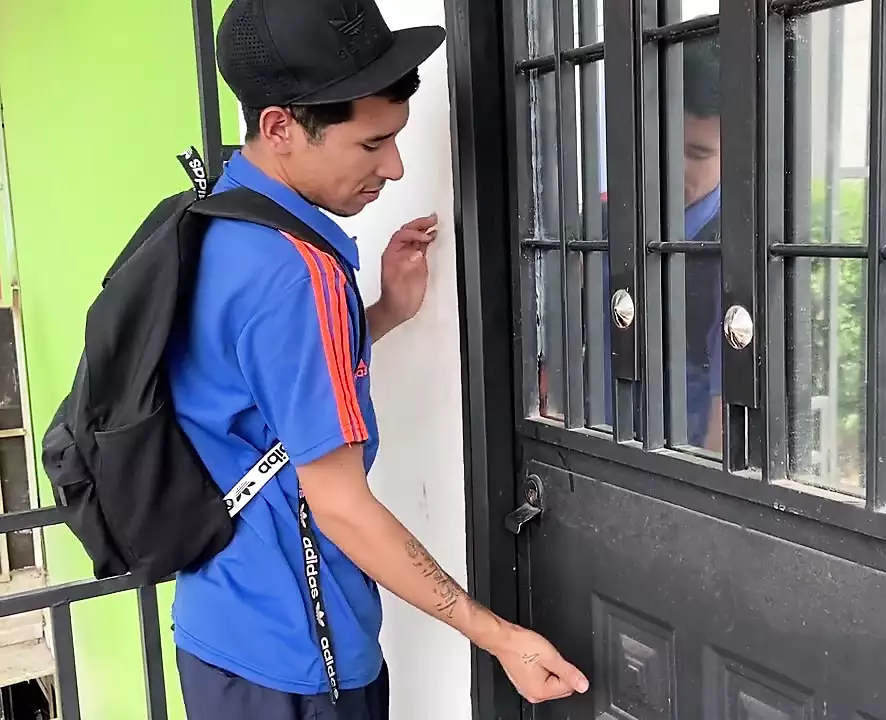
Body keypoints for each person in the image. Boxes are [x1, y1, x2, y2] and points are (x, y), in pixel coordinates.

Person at [166, 1, 587, 718]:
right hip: (298, 658)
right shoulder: (295, 271)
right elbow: (341, 507)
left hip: (220, 626)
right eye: (372, 144)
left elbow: (262, 378)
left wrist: (384, 312)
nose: (393, 167)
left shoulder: (221, 217)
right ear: (281, 127)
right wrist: (501, 638)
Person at [600, 33, 723, 451]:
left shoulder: (735, 253)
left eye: (698, 153)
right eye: (664, 140)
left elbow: (725, 429)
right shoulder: (600, 224)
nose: (673, 164)